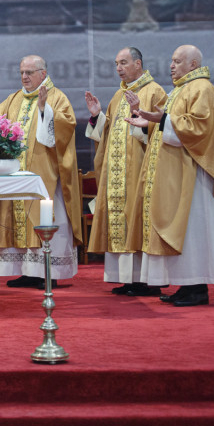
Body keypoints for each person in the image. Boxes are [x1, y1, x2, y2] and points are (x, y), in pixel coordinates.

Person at [0, 54, 81, 289]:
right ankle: (27, 271)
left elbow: (66, 128)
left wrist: (44, 110)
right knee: (18, 218)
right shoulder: (14, 99)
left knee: (45, 215)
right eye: (22, 72)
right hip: (17, 175)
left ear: (43, 73)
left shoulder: (57, 97)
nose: (24, 76)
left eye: (29, 72)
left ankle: (49, 272)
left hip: (46, 174)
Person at [125, 45, 214, 306]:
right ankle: (186, 286)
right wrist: (150, 123)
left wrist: (162, 119)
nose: (171, 66)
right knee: (182, 230)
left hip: (192, 176)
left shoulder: (202, 88)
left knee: (192, 230)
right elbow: (168, 124)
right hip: (175, 174)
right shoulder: (180, 89)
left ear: (193, 64)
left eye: (177, 61)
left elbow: (199, 127)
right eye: (172, 61)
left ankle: (197, 288)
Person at [84, 47, 166, 296]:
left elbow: (161, 132)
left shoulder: (155, 91)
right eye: (116, 64)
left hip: (140, 170)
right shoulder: (119, 95)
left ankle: (147, 281)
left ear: (138, 63)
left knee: (138, 218)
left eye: (123, 62)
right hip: (117, 174)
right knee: (121, 221)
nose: (118, 68)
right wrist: (97, 117)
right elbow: (108, 133)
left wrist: (138, 116)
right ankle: (128, 279)